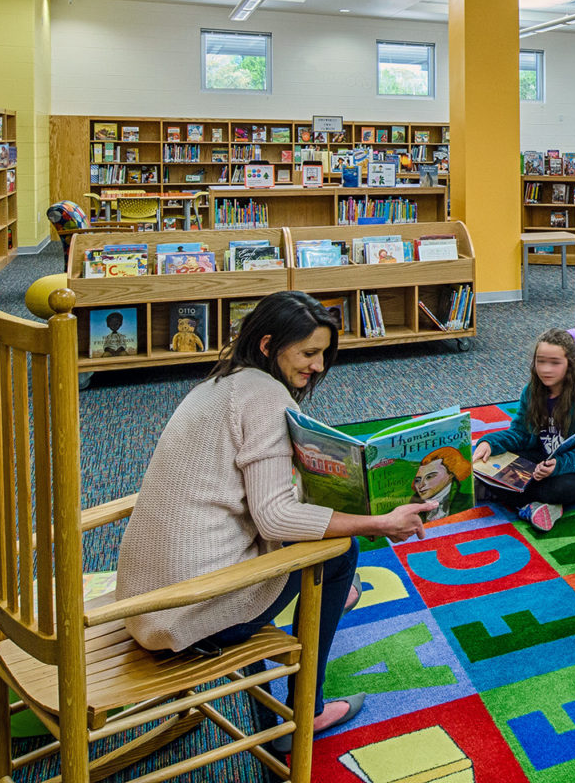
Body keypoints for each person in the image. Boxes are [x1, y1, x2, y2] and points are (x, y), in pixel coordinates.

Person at [115, 291, 433, 739]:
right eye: (308, 353)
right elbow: (275, 519)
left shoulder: (221, 383)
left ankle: (333, 597)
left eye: (323, 354)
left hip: (142, 601)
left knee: (323, 551)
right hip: (189, 614)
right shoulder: (267, 399)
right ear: (267, 346)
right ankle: (305, 712)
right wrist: (381, 523)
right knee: (342, 553)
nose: (318, 366)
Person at [471, 327, 575, 530]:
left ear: (571, 364)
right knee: (486, 462)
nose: (546, 370)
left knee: (556, 488)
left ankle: (507, 495)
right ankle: (534, 504)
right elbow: (521, 433)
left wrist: (558, 466)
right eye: (541, 361)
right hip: (543, 457)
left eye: (555, 363)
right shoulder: (532, 391)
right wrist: (490, 442)